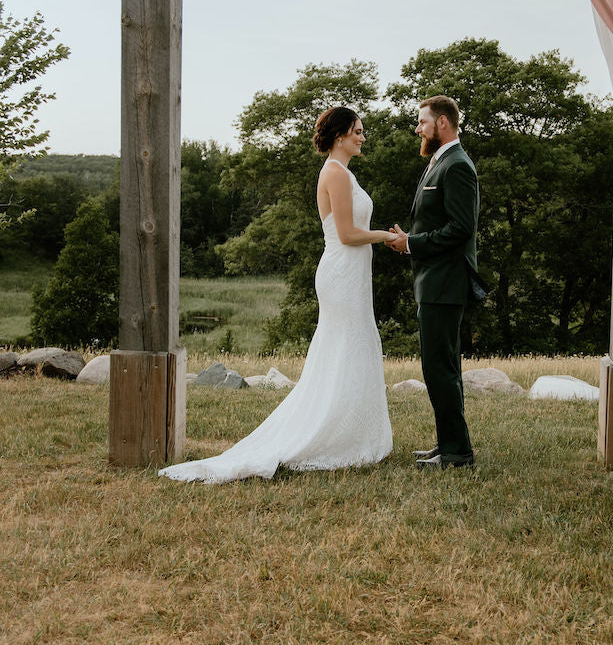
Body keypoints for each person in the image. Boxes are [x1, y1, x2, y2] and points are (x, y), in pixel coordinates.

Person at [159, 107, 395, 483]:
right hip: (341, 270)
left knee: (355, 344)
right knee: (345, 344)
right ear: (339, 136)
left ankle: (351, 430)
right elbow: (348, 234)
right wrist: (386, 236)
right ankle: (327, 433)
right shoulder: (334, 173)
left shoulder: (345, 173)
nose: (363, 137)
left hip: (353, 273)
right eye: (357, 131)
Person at [388, 96, 484, 470]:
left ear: (442, 122)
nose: (418, 128)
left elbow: (461, 229)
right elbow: (434, 220)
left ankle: (457, 454)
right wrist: (409, 238)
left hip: (446, 283)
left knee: (439, 367)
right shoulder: (440, 160)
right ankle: (449, 444)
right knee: (441, 366)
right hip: (433, 281)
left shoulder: (458, 165)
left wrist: (411, 243)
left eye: (422, 122)